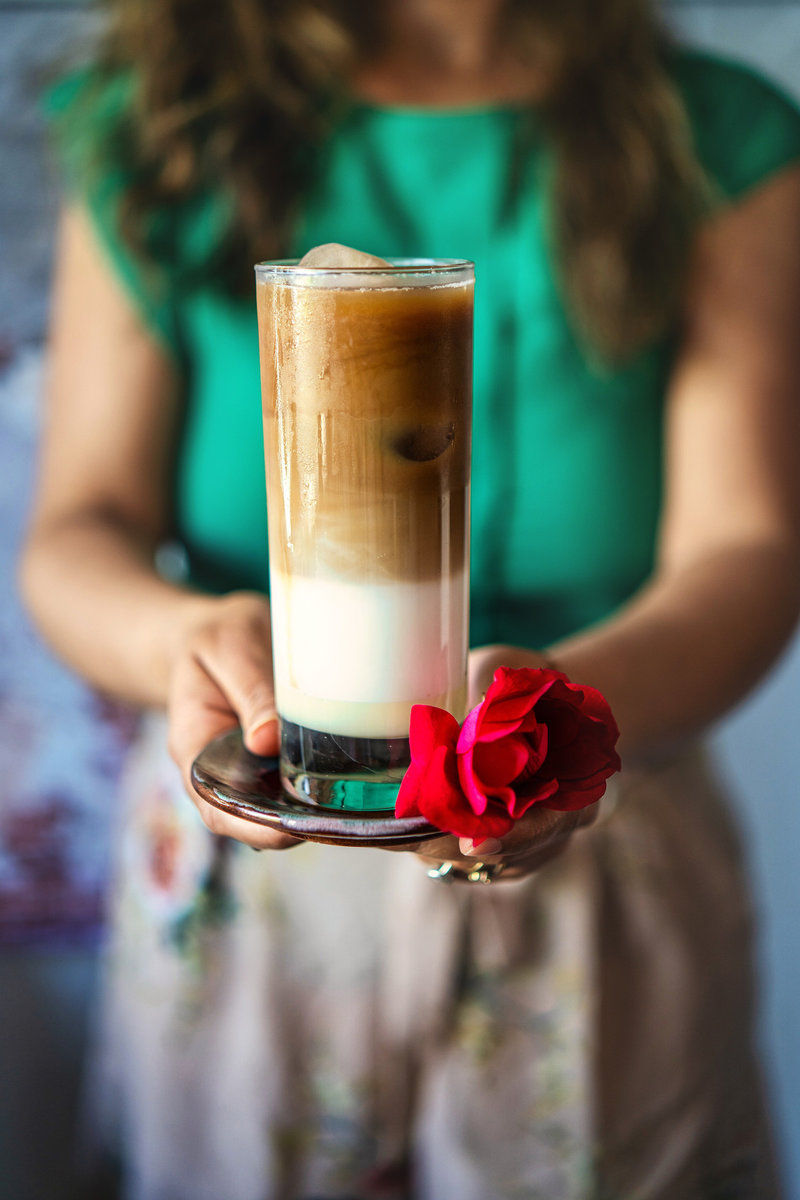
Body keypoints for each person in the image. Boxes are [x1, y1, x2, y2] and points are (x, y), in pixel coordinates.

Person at [20, 0, 800, 1196]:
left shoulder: (718, 136)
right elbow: (79, 530)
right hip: (253, 851)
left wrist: (549, 727)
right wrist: (185, 639)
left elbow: (746, 548)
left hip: (601, 838)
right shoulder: (161, 126)